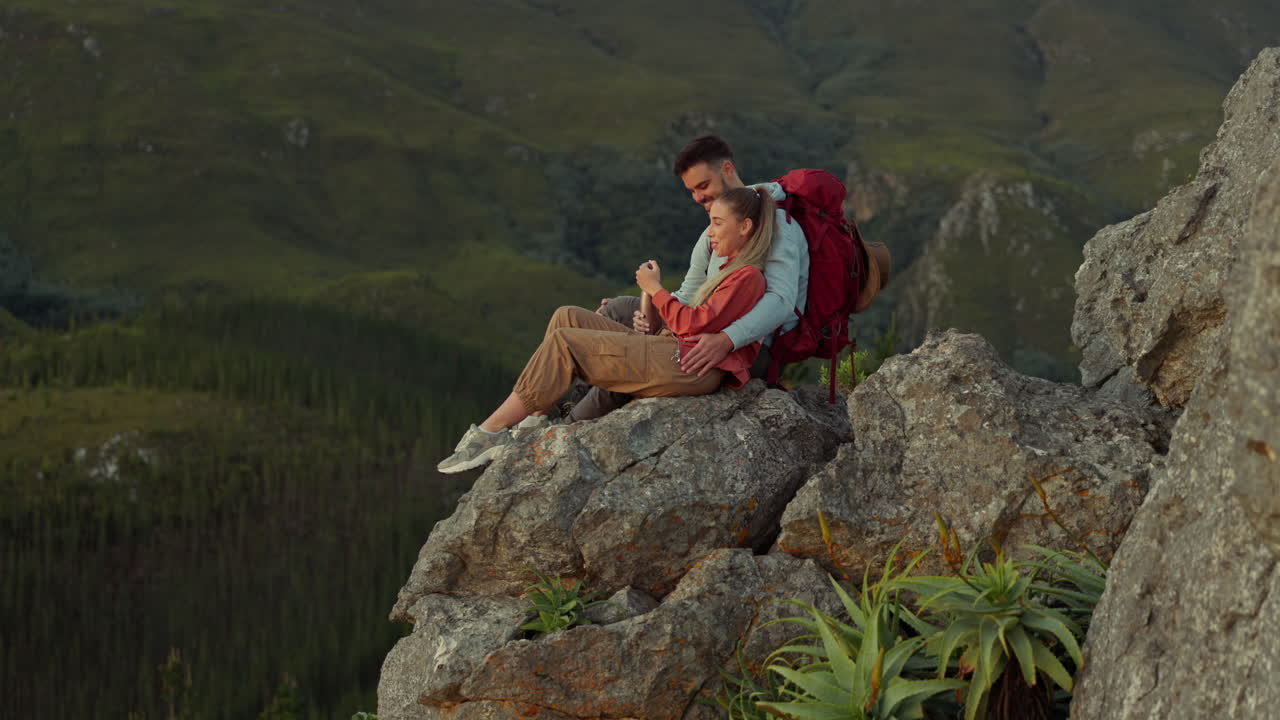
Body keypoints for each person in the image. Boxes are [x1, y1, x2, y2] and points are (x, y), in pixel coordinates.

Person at [437, 186, 780, 474]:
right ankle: (534, 420)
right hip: (676, 351)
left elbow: (692, 322)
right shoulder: (730, 268)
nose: (710, 232)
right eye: (710, 222)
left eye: (718, 223)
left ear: (745, 227)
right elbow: (695, 318)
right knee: (566, 316)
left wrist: (654, 288)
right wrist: (651, 300)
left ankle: (489, 433)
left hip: (688, 366)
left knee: (565, 342)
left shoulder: (748, 276)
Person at [569, 135, 810, 422]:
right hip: (704, 322)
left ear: (728, 170)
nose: (697, 197)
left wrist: (726, 340)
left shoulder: (776, 223)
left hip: (754, 348)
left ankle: (575, 425)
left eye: (703, 185)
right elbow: (688, 294)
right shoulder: (710, 235)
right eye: (692, 190)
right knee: (616, 310)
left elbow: (781, 301)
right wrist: (653, 314)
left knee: (634, 359)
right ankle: (575, 404)